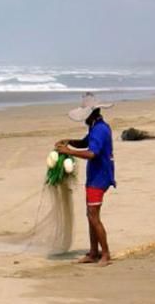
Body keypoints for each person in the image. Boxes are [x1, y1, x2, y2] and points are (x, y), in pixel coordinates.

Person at [55, 92, 116, 267]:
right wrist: (69, 141)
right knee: (90, 215)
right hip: (95, 176)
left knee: (93, 216)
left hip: (100, 177)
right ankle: (93, 252)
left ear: (91, 114)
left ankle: (105, 254)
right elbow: (84, 143)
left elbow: (91, 153)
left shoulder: (100, 129)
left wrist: (68, 152)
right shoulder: (96, 126)